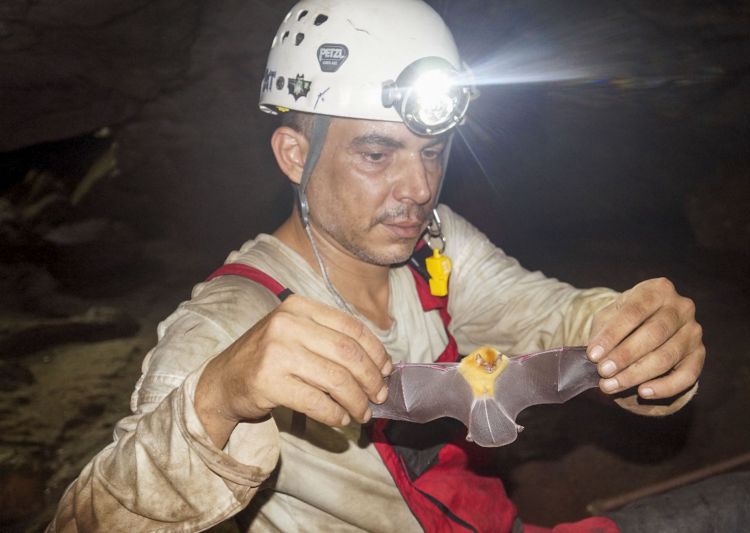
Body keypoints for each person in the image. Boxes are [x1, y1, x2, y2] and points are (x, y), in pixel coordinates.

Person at [48, 1, 708, 531]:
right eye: (376, 155)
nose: (418, 187)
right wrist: (216, 399)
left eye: (432, 151)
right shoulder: (227, 323)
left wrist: (631, 335)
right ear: (291, 155)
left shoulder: (436, 245)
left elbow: (549, 314)